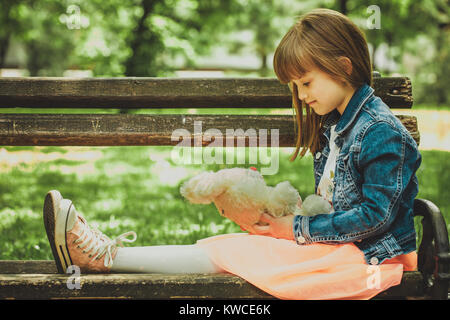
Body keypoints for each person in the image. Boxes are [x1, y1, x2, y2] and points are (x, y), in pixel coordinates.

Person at [43, 8, 421, 299]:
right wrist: (283, 219)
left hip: (371, 260)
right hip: (337, 251)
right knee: (232, 250)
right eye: (296, 86)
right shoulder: (338, 125)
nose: (302, 95)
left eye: (306, 83)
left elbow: (375, 217)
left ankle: (101, 257)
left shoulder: (380, 133)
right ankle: (103, 255)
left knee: (233, 255)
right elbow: (339, 209)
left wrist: (295, 229)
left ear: (343, 67)